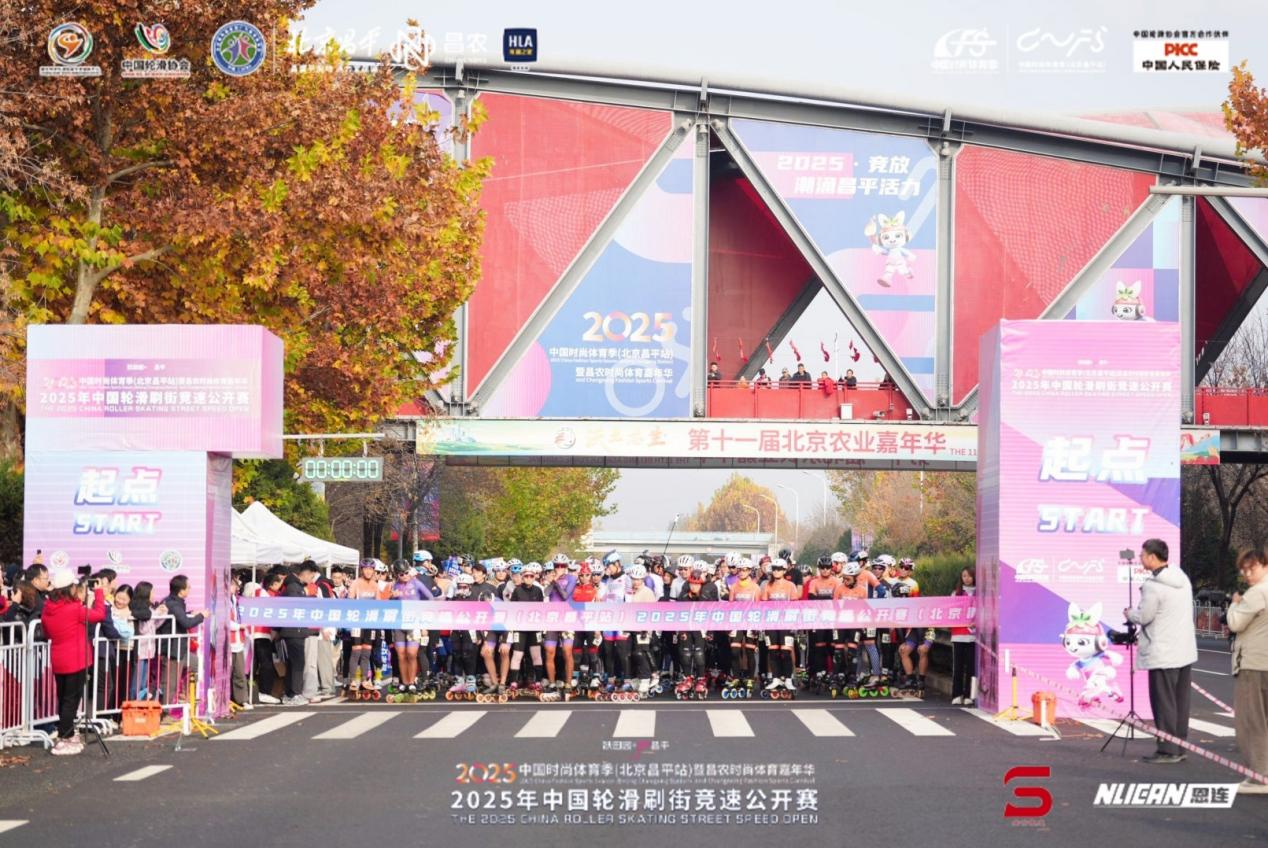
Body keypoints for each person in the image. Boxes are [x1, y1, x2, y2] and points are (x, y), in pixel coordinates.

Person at [1124, 538, 1198, 764]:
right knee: (1180, 702)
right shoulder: (1181, 578)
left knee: (1163, 702)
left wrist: (1129, 613)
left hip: (1162, 652)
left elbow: (1144, 616)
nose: (1140, 558)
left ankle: (1167, 749)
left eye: (1142, 555)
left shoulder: (1153, 586)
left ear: (1152, 557)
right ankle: (1179, 746)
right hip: (1183, 650)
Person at [41, 568, 106, 755]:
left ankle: (67, 734)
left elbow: (47, 633)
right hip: (76, 659)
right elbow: (99, 615)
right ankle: (64, 738)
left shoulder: (48, 609)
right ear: (69, 588)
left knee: (64, 699)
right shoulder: (74, 609)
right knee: (71, 700)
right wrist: (99, 593)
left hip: (59, 659)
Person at [1227, 549, 1268, 793]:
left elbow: (1235, 623)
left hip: (1254, 664)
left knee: (1252, 722)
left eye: (1251, 569)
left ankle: (1259, 776)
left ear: (1265, 565)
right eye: (1244, 570)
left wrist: (1234, 604)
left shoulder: (1257, 593)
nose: (1247, 574)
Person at [157, 574, 208, 707]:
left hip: (180, 649)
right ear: (181, 590)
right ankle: (165, 711)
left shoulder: (175, 602)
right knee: (170, 683)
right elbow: (185, 623)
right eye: (188, 587)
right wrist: (201, 616)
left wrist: (191, 613)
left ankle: (187, 695)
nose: (190, 589)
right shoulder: (173, 604)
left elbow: (181, 617)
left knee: (195, 663)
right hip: (172, 650)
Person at [276, 563, 318, 706]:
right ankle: (294, 693)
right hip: (294, 630)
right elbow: (296, 606)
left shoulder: (294, 586)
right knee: (297, 663)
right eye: (311, 576)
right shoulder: (294, 587)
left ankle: (290, 693)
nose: (312, 580)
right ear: (305, 573)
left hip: (295, 630)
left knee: (294, 663)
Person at [129, 582, 168, 700]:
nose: (154, 594)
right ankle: (133, 704)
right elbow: (143, 629)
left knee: (143, 683)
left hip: (148, 650)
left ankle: (141, 704)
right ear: (146, 593)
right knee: (136, 683)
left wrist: (162, 614)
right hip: (140, 650)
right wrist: (154, 614)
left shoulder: (149, 608)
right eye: (152, 592)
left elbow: (154, 626)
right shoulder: (140, 610)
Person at [950, 568, 977, 705]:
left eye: (970, 576)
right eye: (964, 576)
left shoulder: (980, 593)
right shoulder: (956, 593)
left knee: (972, 667)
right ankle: (956, 694)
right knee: (958, 667)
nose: (967, 578)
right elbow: (949, 612)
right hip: (958, 635)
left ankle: (969, 695)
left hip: (974, 636)